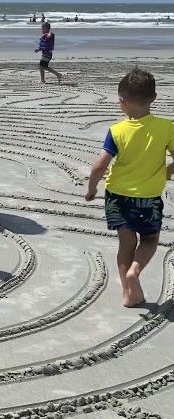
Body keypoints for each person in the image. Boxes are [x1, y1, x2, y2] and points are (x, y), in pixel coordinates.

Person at [85, 68, 172, 308]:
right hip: (148, 198)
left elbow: (98, 166)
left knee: (125, 244)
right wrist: (167, 171)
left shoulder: (116, 131)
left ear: (121, 101)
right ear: (153, 98)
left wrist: (91, 189)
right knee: (150, 239)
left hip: (116, 197)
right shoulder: (166, 128)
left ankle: (128, 292)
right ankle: (135, 271)